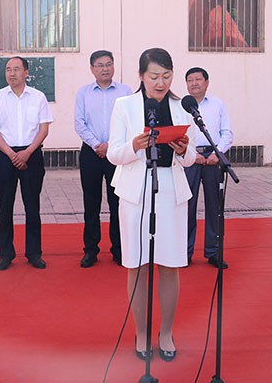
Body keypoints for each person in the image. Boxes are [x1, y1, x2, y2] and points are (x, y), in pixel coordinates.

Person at [107, 47, 196, 362]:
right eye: (154, 76)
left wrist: (183, 149)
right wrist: (133, 145)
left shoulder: (182, 107)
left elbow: (190, 158)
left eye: (167, 76)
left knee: (170, 264)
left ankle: (166, 332)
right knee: (138, 265)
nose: (161, 83)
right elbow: (113, 153)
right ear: (141, 76)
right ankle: (142, 333)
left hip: (171, 191)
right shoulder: (124, 105)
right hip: (135, 193)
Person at [0, 56, 53, 271]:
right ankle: (5, 253)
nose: (11, 73)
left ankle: (34, 253)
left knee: (32, 206)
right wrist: (12, 154)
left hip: (31, 155)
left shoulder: (38, 97)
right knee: (4, 206)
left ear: (26, 72)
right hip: (5, 155)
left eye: (16, 69)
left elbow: (43, 129)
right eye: (8, 69)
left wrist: (27, 152)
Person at [74, 50, 132, 268]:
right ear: (92, 69)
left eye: (108, 64)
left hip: (117, 152)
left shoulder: (125, 92)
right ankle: (90, 250)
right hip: (92, 152)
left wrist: (110, 146)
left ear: (114, 66)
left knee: (117, 202)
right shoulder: (83, 93)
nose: (105, 69)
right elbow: (79, 122)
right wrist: (97, 145)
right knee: (91, 203)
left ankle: (119, 250)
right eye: (100, 65)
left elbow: (130, 122)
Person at [184, 67, 233, 269]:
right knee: (187, 206)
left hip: (213, 157)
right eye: (190, 80)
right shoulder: (181, 106)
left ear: (206, 82)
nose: (194, 83)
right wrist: (190, 154)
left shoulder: (217, 104)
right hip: (190, 158)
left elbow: (227, 133)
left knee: (215, 206)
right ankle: (185, 252)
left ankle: (213, 252)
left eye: (198, 79)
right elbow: (178, 134)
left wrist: (217, 153)